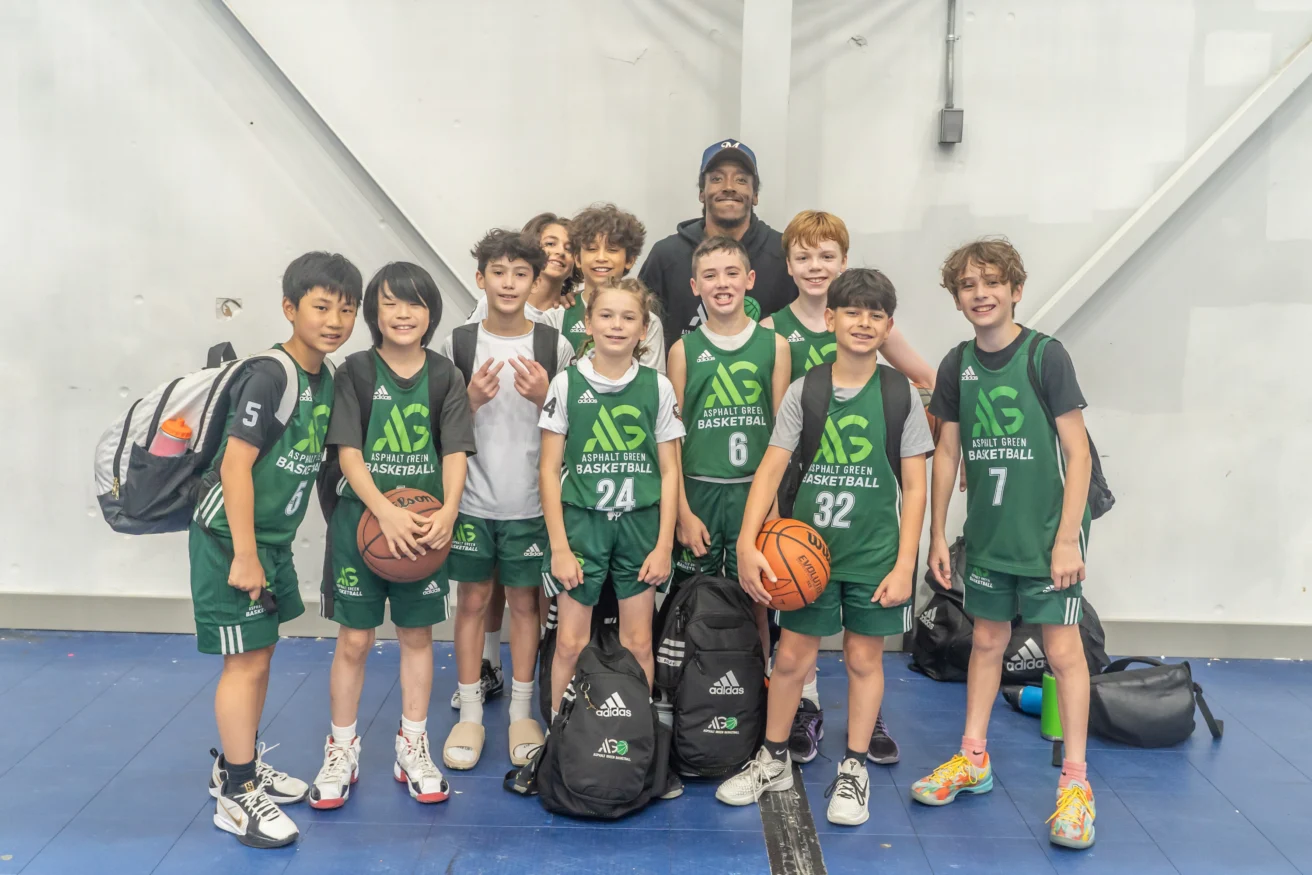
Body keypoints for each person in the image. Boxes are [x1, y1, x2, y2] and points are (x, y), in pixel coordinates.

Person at [716, 268, 932, 826]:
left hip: (874, 553)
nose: (863, 322)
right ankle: (773, 758)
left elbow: (915, 486)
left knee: (863, 658)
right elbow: (769, 471)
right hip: (807, 553)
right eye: (852, 312)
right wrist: (747, 540)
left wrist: (907, 563)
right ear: (831, 318)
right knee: (791, 658)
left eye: (875, 314)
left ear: (888, 326)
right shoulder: (805, 389)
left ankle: (854, 768)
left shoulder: (899, 394)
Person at [910, 238, 1096, 850]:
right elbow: (946, 451)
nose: (981, 293)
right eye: (968, 285)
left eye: (992, 281)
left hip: (1047, 537)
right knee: (986, 640)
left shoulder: (1046, 355)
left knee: (1062, 653)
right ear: (957, 298)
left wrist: (1068, 538)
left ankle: (1075, 783)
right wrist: (937, 531)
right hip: (989, 534)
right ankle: (973, 757)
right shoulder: (956, 362)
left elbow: (1078, 453)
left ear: (1015, 289)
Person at [193, 252, 360, 848]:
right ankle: (235, 796)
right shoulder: (272, 373)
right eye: (321, 306)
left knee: (260, 654)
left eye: (346, 308)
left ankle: (237, 766)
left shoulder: (327, 375)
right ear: (290, 309)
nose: (335, 319)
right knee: (244, 661)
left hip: (272, 542)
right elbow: (236, 466)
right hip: (229, 539)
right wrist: (244, 553)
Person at [762, 209, 936, 766]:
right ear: (789, 265)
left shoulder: (871, 322)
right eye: (804, 256)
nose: (816, 266)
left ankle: (866, 720)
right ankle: (805, 707)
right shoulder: (773, 330)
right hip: (803, 485)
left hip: (864, 502)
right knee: (798, 618)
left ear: (843, 259)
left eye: (827, 256)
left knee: (864, 649)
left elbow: (925, 381)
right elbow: (773, 422)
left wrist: (912, 429)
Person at [307, 262, 474, 811]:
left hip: (425, 532)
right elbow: (348, 454)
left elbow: (453, 452)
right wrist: (384, 511)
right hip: (364, 528)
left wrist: (448, 511)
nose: (403, 314)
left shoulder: (447, 375)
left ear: (431, 313)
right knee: (354, 641)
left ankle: (413, 745)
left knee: (418, 638)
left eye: (415, 303)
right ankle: (342, 747)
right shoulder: (355, 371)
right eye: (391, 304)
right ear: (374, 313)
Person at [439, 230, 574, 770]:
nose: (510, 283)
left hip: (531, 503)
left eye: (521, 273)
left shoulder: (552, 346)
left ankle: (522, 710)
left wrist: (548, 398)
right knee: (471, 603)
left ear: (535, 280)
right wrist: (467, 402)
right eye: (499, 272)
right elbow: (440, 427)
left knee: (525, 606)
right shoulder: (459, 343)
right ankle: (470, 711)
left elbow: (571, 428)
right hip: (470, 499)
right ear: (481, 279)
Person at [538, 277, 683, 718]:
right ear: (587, 323)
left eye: (628, 318)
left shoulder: (657, 387)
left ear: (644, 330)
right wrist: (559, 548)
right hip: (582, 524)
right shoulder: (565, 384)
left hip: (640, 524)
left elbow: (670, 470)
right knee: (569, 641)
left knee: (639, 642)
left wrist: (663, 546)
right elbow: (547, 469)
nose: (616, 325)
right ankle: (559, 740)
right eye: (606, 315)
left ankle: (638, 737)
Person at [667, 235, 790, 657]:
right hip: (699, 491)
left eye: (732, 273)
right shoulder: (682, 350)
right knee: (688, 599)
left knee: (756, 598)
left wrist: (772, 505)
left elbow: (780, 435)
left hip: (752, 491)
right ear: (694, 286)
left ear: (750, 279)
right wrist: (682, 510)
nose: (722, 283)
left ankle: (755, 692)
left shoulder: (775, 346)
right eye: (710, 275)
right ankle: (683, 694)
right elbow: (672, 439)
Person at [639, 140, 794, 347]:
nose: (729, 187)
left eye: (740, 180)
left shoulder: (784, 253)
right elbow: (636, 323)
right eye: (717, 179)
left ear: (755, 195)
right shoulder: (666, 256)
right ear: (702, 193)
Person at [542, 203, 665, 372]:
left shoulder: (648, 322)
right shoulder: (555, 317)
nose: (601, 257)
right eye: (591, 249)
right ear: (577, 259)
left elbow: (652, 387)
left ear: (630, 260)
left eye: (612, 250)